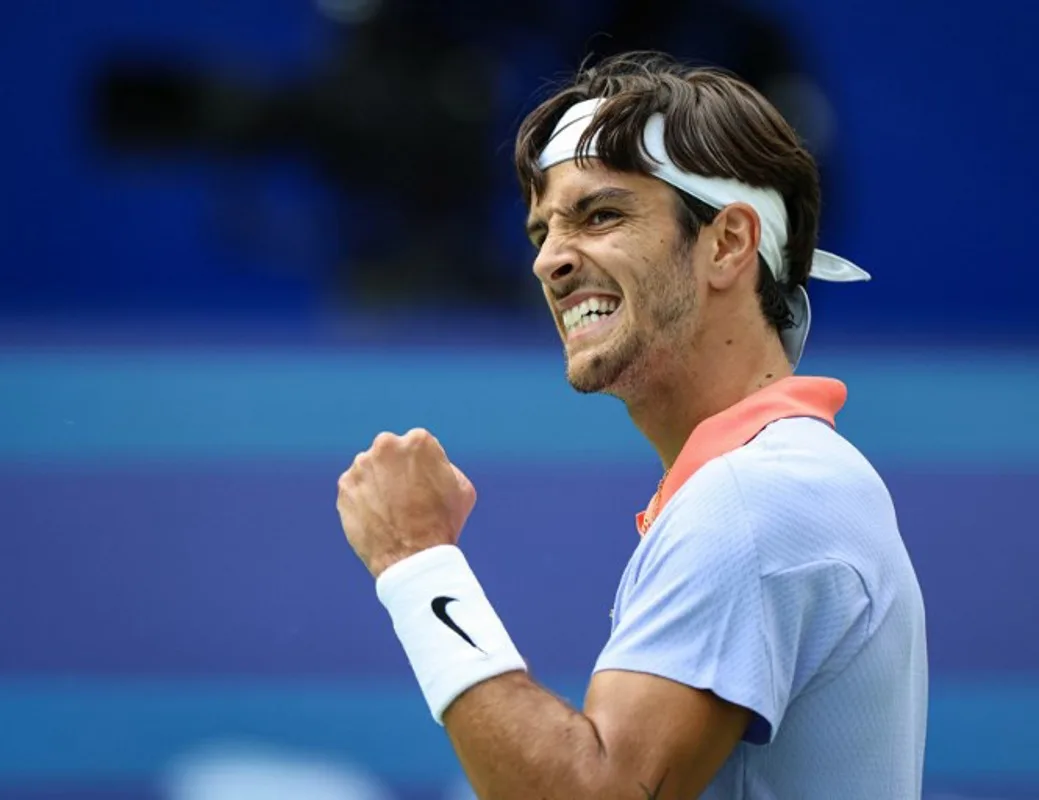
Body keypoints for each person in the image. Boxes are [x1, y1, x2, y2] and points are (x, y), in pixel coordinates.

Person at [336, 52, 927, 799]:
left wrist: (416, 561)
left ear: (729, 244)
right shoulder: (773, 483)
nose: (548, 261)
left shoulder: (752, 499)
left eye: (601, 214)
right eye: (540, 231)